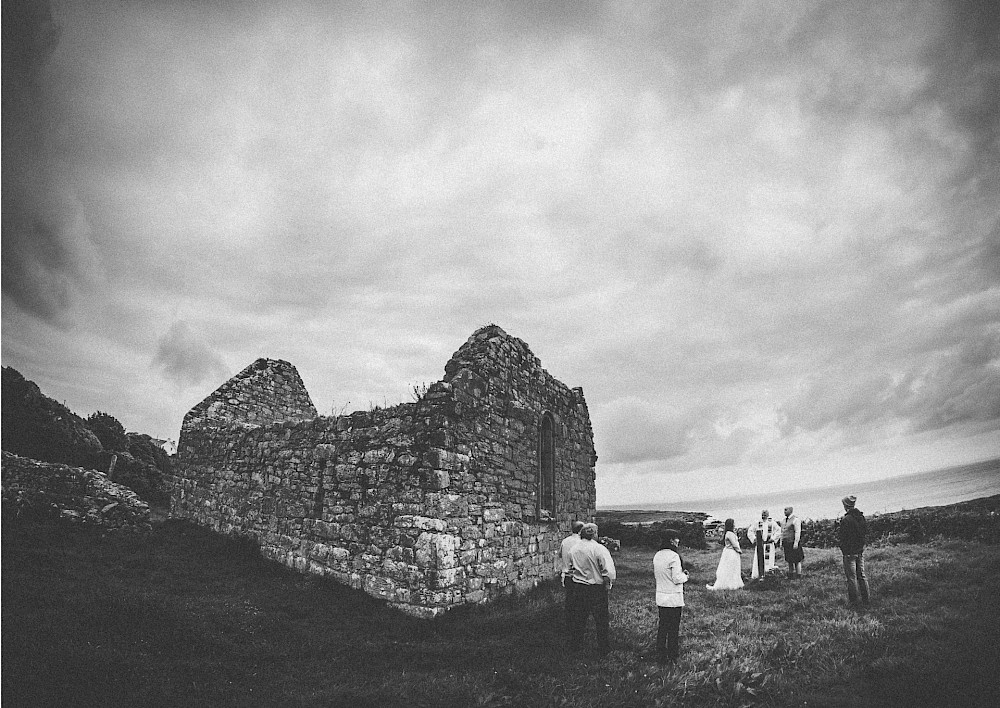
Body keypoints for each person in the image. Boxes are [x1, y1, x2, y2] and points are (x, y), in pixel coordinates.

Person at [567, 522, 616, 654]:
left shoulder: (574, 549)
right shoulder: (599, 549)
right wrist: (607, 585)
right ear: (594, 533)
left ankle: (575, 647)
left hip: (579, 588)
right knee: (601, 620)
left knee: (579, 619)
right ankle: (603, 648)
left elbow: (570, 568)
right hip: (596, 589)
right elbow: (608, 571)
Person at [652, 529, 689, 664]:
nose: (678, 541)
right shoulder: (674, 556)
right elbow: (676, 578)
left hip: (661, 596)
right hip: (673, 598)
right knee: (673, 628)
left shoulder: (657, 555)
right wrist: (685, 576)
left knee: (663, 627)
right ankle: (672, 655)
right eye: (676, 538)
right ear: (671, 540)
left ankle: (660, 653)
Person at [838, 495, 871, 607]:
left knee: (851, 578)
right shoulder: (860, 517)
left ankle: (854, 602)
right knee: (861, 575)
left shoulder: (846, 519)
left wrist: (844, 550)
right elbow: (865, 532)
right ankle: (866, 600)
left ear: (845, 505)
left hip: (849, 552)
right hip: (859, 550)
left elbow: (842, 537)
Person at [560, 520, 584, 632]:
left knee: (569, 599)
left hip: (567, 575)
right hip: (578, 575)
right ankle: (576, 625)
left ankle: (568, 623)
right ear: (580, 531)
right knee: (579, 601)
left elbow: (560, 555)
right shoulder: (581, 543)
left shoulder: (565, 541)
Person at [707, 518, 744, 591]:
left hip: (731, 552)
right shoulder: (729, 534)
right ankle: (729, 584)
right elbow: (734, 544)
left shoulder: (729, 533)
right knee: (729, 568)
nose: (734, 525)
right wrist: (739, 551)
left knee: (732, 568)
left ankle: (733, 583)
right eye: (733, 523)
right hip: (731, 552)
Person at [748, 509, 782, 580]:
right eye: (762, 514)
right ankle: (757, 575)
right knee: (759, 560)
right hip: (760, 545)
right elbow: (750, 531)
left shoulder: (772, 522)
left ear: (768, 515)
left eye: (765, 514)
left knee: (768, 561)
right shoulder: (757, 522)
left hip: (768, 545)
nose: (763, 515)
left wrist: (773, 538)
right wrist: (754, 539)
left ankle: (768, 575)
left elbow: (779, 530)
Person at [781, 506, 804, 579]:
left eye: (786, 510)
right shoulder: (783, 521)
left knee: (797, 560)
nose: (784, 511)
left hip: (793, 542)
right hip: (786, 543)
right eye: (784, 510)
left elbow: (797, 532)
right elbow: (782, 532)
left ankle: (798, 575)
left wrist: (796, 542)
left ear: (790, 510)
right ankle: (790, 575)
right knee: (789, 560)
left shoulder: (796, 520)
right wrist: (781, 543)